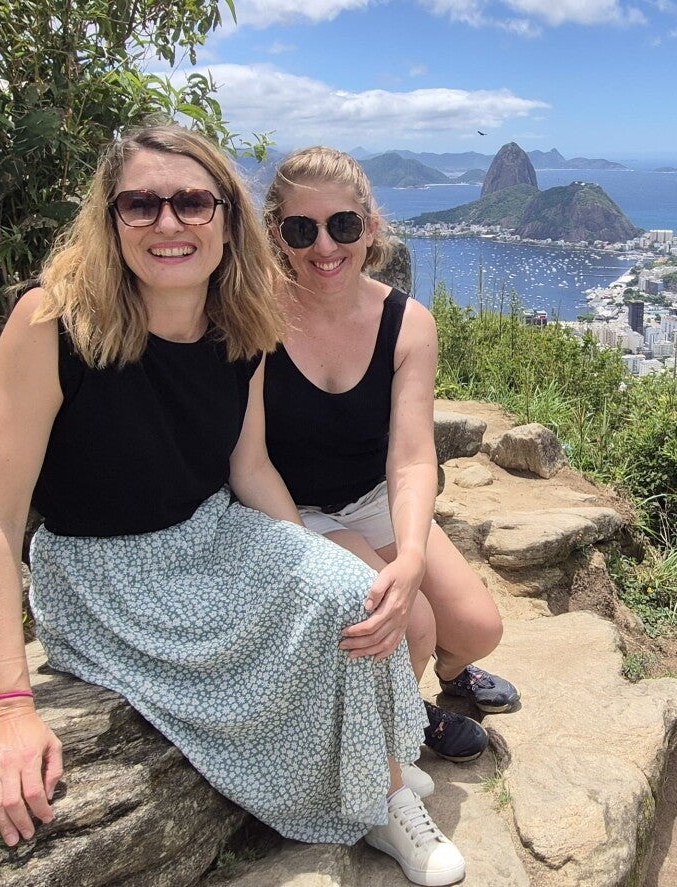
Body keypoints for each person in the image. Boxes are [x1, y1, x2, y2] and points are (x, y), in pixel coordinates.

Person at [0, 125, 464, 886]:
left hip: (213, 532)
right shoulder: (53, 324)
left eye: (193, 202)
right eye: (142, 205)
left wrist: (307, 571)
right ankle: (381, 794)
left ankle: (376, 769)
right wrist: (6, 707)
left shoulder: (241, 321)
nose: (169, 223)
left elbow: (248, 465)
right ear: (110, 219)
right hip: (105, 573)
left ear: (226, 218)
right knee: (341, 601)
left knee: (348, 595)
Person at [262, 146, 518, 765]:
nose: (326, 246)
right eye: (302, 230)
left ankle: (449, 676)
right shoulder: (256, 316)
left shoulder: (406, 323)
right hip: (289, 508)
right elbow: (246, 457)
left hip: (372, 495)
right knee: (411, 623)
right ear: (278, 234)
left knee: (479, 629)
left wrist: (410, 553)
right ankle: (406, 713)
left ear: (371, 227)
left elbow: (410, 457)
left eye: (343, 225)